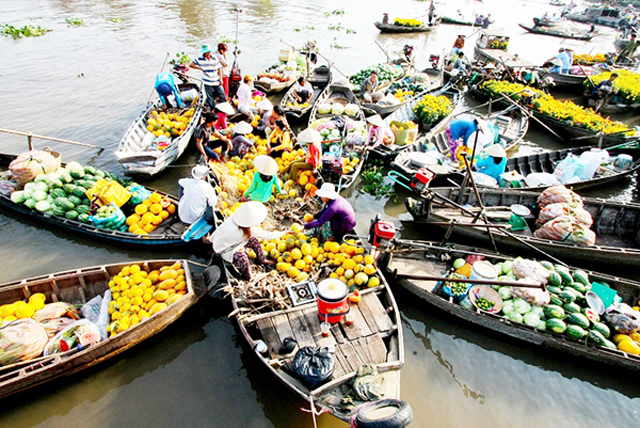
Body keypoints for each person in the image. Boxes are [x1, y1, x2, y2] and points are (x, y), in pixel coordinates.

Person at [208, 201, 286, 280]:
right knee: (242, 257)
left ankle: (262, 259)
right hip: (223, 250)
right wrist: (285, 232)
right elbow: (268, 236)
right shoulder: (248, 230)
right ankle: (248, 276)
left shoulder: (233, 219)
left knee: (253, 240)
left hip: (225, 242)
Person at [190, 44, 226, 111]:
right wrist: (200, 68)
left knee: (222, 95)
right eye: (207, 52)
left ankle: (222, 109)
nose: (208, 53)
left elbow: (219, 69)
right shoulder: (199, 59)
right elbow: (191, 65)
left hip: (216, 80)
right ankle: (212, 110)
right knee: (210, 97)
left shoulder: (214, 58)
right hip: (207, 81)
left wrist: (221, 79)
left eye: (209, 52)